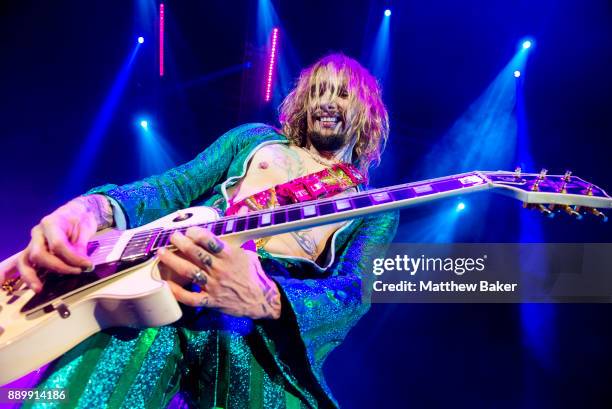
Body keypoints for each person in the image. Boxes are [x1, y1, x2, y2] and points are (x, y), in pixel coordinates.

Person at [2, 53, 398, 408]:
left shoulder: (376, 207)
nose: (327, 102)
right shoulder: (254, 140)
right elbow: (172, 188)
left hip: (259, 325)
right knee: (86, 392)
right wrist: (94, 207)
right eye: (318, 92)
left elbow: (354, 292)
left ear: (366, 110)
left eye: (342, 94)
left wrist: (269, 299)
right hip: (167, 279)